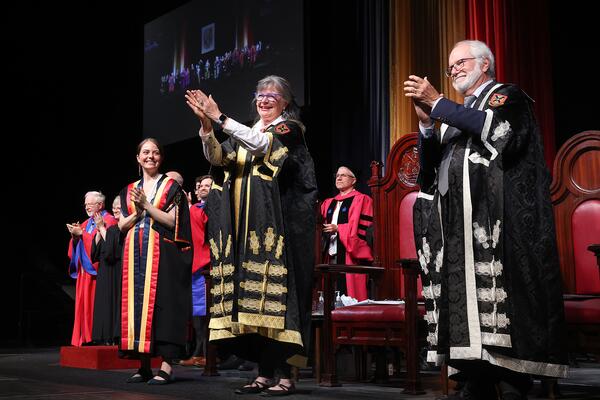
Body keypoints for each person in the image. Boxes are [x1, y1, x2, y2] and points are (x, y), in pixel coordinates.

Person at [404, 40, 568, 399]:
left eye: (460, 63)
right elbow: (430, 169)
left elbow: (500, 134)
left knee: (504, 299)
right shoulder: (456, 112)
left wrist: (439, 103)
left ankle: (511, 373)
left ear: (485, 64)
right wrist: (428, 125)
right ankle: (477, 371)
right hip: (459, 224)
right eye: (451, 68)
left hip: (501, 222)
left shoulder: (506, 96)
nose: (455, 71)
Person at [185, 75, 318, 396]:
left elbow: (264, 146)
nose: (264, 100)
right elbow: (219, 158)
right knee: (251, 303)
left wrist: (220, 118)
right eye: (259, 95)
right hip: (246, 232)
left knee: (280, 301)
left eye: (271, 95)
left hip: (280, 232)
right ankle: (264, 372)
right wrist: (207, 127)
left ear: (285, 101)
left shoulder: (290, 129)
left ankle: (286, 375)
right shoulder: (247, 130)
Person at [118, 138, 192, 385]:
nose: (151, 156)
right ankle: (143, 366)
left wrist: (147, 206)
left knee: (165, 307)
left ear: (161, 157)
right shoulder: (129, 189)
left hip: (164, 256)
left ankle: (167, 367)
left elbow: (173, 222)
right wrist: (138, 212)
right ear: (137, 158)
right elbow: (121, 224)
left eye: (156, 152)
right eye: (146, 152)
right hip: (135, 257)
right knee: (137, 309)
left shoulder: (171, 187)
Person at [66, 191, 117, 347]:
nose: (87, 207)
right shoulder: (85, 223)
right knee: (83, 306)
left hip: (99, 271)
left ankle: (96, 336)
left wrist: (82, 235)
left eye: (90, 204)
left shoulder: (110, 221)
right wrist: (75, 238)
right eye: (86, 204)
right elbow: (72, 252)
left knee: (96, 305)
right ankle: (84, 337)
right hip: (84, 272)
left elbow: (105, 246)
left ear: (100, 205)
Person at [320, 166, 373, 301]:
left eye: (343, 175)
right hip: (330, 255)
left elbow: (362, 230)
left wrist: (338, 229)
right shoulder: (328, 203)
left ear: (353, 180)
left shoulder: (363, 200)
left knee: (349, 296)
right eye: (337, 175)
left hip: (350, 256)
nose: (339, 178)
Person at [179, 174, 213, 368]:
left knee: (204, 312)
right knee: (197, 313)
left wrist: (189, 207)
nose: (203, 188)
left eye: (208, 185)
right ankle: (199, 351)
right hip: (193, 265)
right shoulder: (195, 209)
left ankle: (205, 352)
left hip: (205, 266)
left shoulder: (210, 209)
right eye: (200, 185)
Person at [91, 196, 123, 345]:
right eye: (114, 206)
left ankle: (113, 336)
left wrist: (102, 228)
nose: (116, 209)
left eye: (119, 206)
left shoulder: (123, 229)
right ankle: (102, 336)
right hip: (104, 271)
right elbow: (96, 253)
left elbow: (114, 250)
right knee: (103, 303)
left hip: (116, 271)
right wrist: (99, 229)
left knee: (113, 302)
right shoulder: (110, 228)